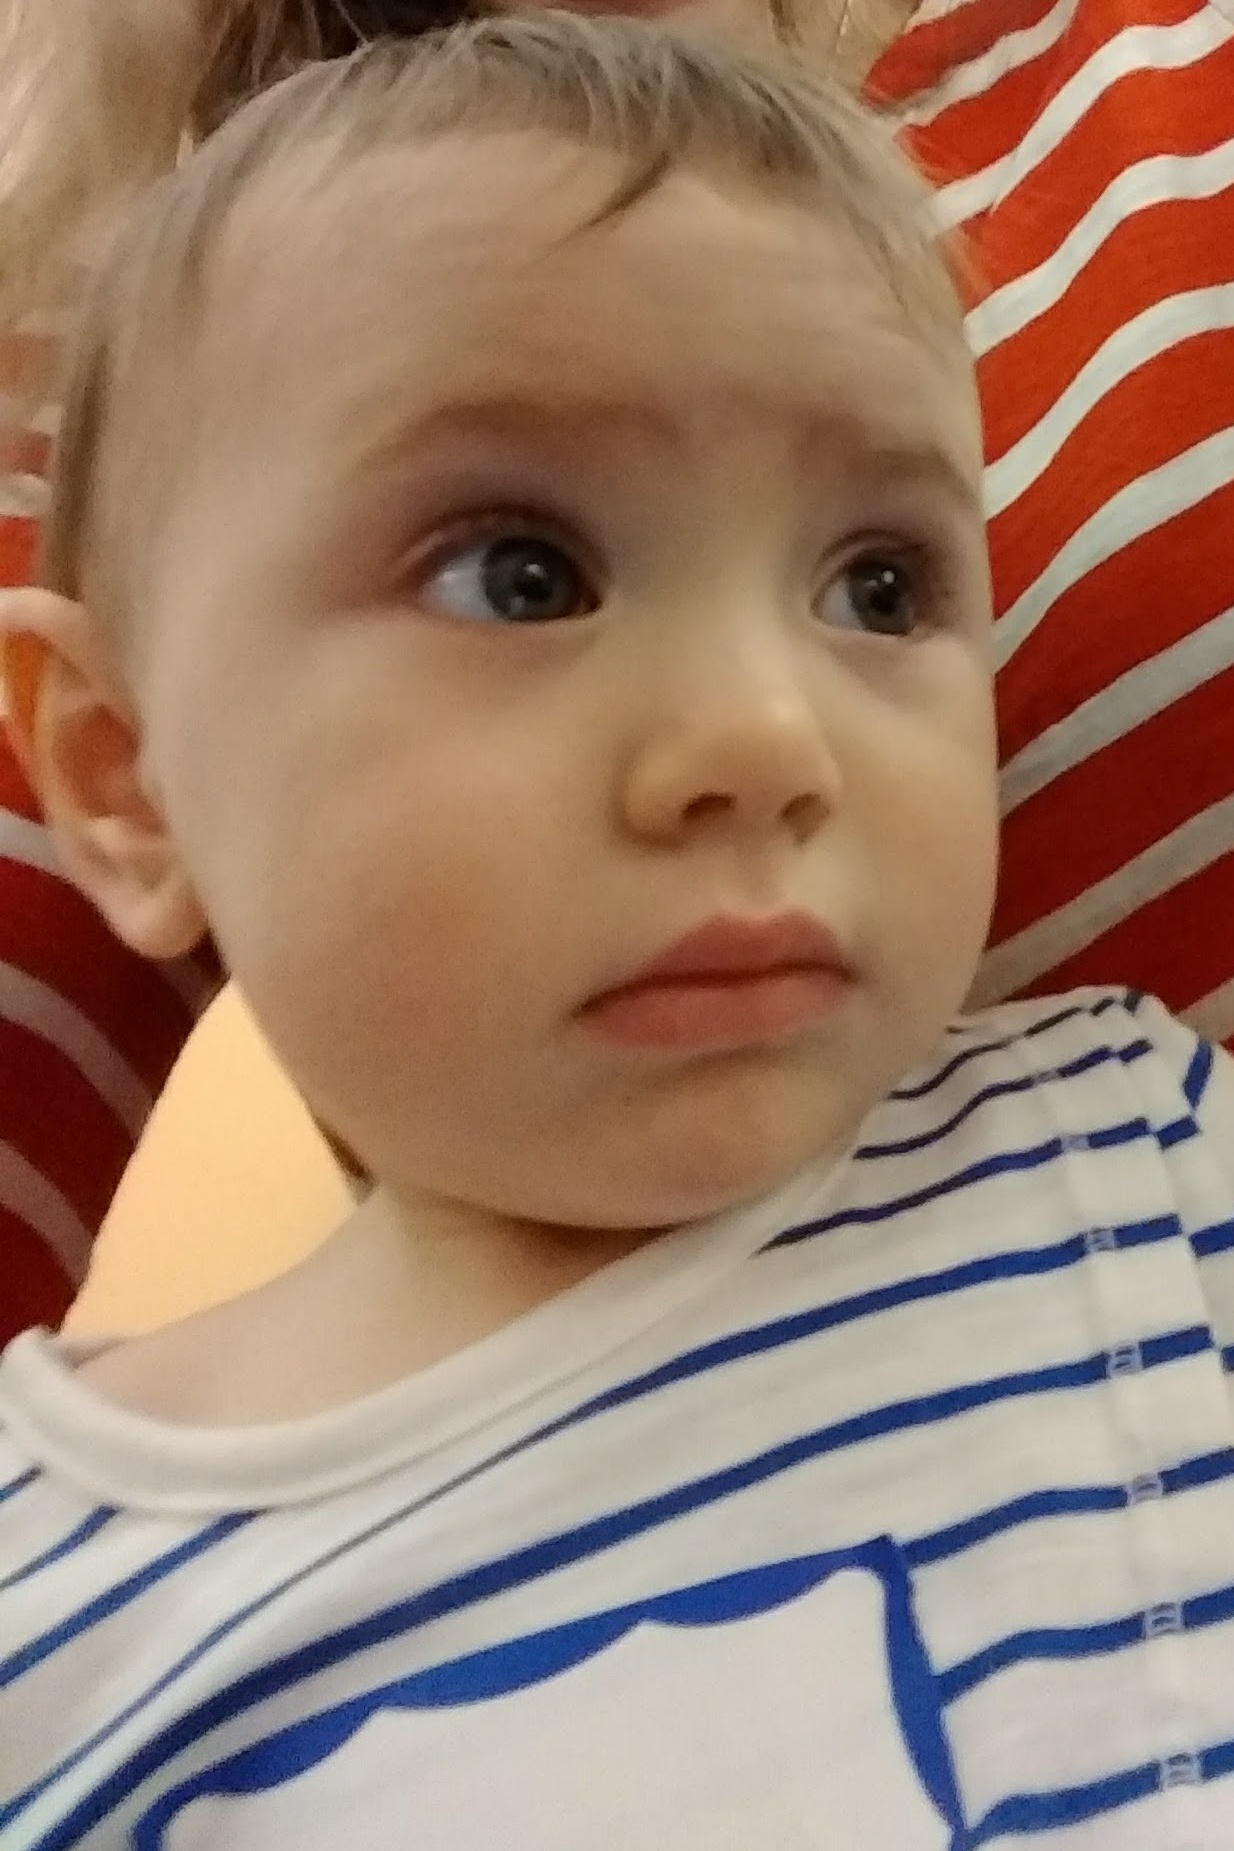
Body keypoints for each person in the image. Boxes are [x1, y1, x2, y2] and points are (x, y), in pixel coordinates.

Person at [5, 17, 1234, 1841]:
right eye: (519, 575)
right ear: (125, 776)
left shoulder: (1124, 1141)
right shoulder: (55, 1635)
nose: (766, 738)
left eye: (878, 587)